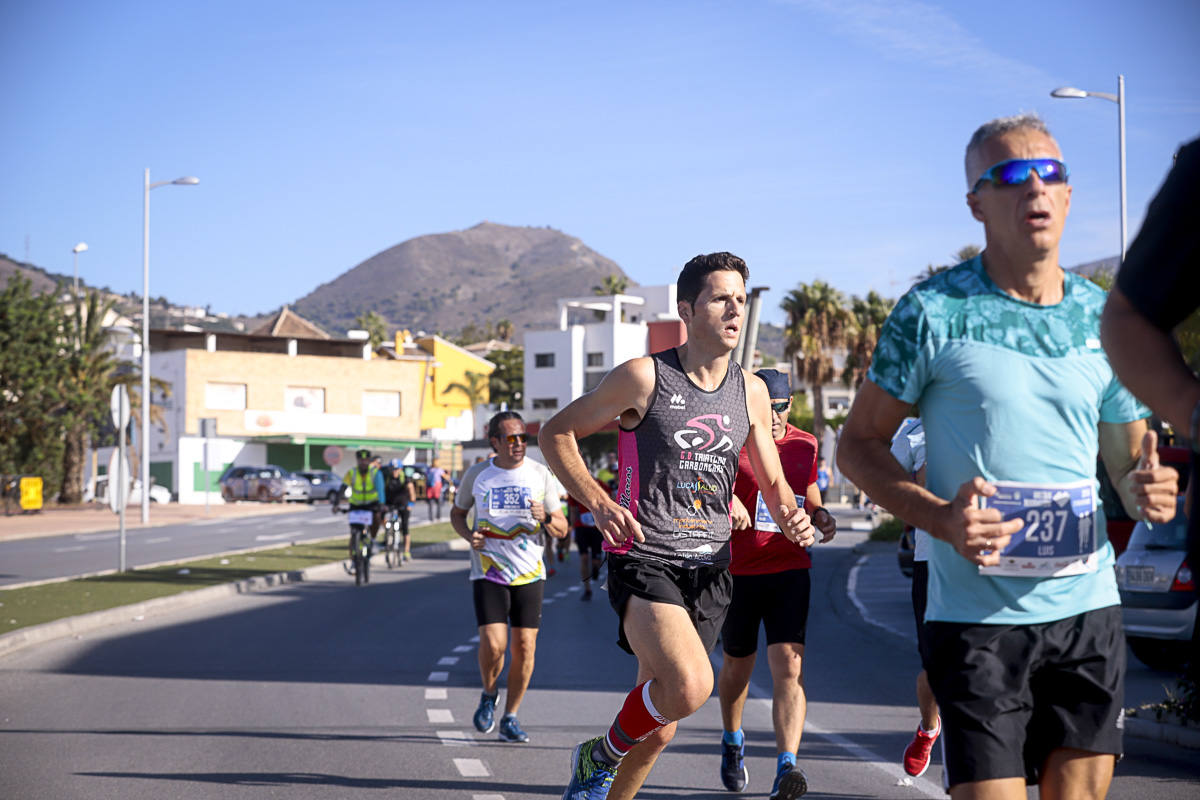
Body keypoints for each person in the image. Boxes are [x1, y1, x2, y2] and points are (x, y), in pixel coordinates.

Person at [836, 113, 1179, 800]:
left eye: (1050, 173)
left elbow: (1125, 456)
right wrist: (938, 518)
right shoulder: (933, 312)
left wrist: (1148, 485)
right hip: (978, 620)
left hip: (1087, 607)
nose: (1036, 188)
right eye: (1013, 175)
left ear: (1069, 195)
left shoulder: (1104, 317)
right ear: (977, 203)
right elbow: (856, 446)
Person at [539, 252, 815, 800]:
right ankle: (600, 753)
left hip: (711, 569)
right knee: (690, 686)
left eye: (740, 298)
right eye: (720, 298)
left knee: (660, 726)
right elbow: (556, 432)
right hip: (646, 558)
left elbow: (774, 480)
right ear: (687, 310)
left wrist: (792, 516)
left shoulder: (751, 392)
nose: (734, 309)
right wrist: (596, 500)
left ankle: (606, 789)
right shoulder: (645, 377)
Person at [1101, 136, 1200, 682]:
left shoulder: (1084, 320)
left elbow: (1127, 475)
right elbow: (1129, 321)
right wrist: (1192, 414)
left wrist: (1143, 489)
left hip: (1082, 600)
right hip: (974, 600)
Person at [717, 369, 836, 800]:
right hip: (740, 571)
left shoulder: (806, 443)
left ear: (789, 406)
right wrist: (726, 500)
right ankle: (733, 739)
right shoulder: (734, 442)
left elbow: (807, 488)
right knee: (738, 667)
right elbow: (703, 482)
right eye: (763, 407)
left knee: (790, 666)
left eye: (779, 408)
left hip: (789, 568)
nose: (770, 416)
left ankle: (787, 765)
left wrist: (820, 515)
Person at [451, 410, 568, 744]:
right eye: (511, 439)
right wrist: (468, 534)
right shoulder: (478, 474)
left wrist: (545, 516)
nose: (518, 444)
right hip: (488, 570)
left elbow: (562, 528)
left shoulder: (540, 474)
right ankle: (489, 692)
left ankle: (511, 716)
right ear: (495, 442)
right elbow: (457, 514)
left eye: (523, 438)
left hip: (530, 573)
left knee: (525, 648)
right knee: (493, 644)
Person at [888, 416, 941, 777]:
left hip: (986, 561)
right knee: (935, 668)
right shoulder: (913, 431)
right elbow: (883, 485)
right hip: (931, 562)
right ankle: (929, 728)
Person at [333, 449, 387, 551]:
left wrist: (382, 503)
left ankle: (373, 539)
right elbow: (342, 488)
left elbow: (380, 490)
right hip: (356, 505)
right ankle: (354, 558)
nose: (363, 463)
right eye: (361, 460)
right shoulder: (352, 473)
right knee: (354, 532)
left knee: (376, 518)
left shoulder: (375, 473)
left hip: (372, 504)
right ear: (357, 461)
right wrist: (336, 504)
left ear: (369, 461)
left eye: (365, 460)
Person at [568, 474, 611, 601]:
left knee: (596, 560)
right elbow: (573, 510)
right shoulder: (574, 487)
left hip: (596, 528)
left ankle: (596, 567)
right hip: (581, 527)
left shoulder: (600, 484)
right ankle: (587, 589)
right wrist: (572, 529)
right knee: (584, 558)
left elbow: (610, 501)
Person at [385, 460, 416, 563]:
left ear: (400, 469)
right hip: (390, 504)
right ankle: (387, 540)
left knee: (405, 527)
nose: (394, 472)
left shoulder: (405, 478)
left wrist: (410, 504)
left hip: (403, 505)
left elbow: (411, 491)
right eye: (393, 469)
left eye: (396, 469)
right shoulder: (387, 479)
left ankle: (406, 552)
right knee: (385, 521)